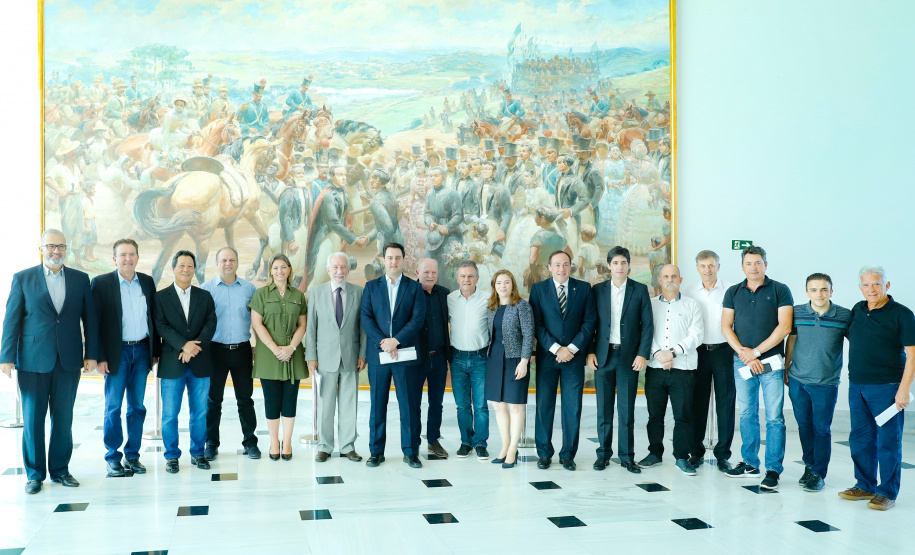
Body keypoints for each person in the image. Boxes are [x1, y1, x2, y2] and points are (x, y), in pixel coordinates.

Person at [1, 230, 99, 494]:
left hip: (68, 361)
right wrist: (6, 357)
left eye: (61, 246)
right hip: (32, 361)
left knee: (63, 419)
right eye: (51, 246)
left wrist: (91, 353)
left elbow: (90, 320)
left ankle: (60, 470)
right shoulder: (23, 278)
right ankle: (34, 474)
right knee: (33, 420)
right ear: (41, 248)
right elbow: (11, 319)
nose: (56, 251)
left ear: (66, 249)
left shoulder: (80, 279)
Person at [839, 266, 914, 510]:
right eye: (866, 284)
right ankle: (864, 485)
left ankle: (887, 492)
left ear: (887, 286)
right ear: (860, 287)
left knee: (888, 442)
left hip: (887, 387)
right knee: (860, 438)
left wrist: (904, 389)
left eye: (877, 284)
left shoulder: (902, 314)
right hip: (857, 385)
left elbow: (913, 355)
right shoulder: (858, 310)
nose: (871, 289)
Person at [722, 245, 793, 490]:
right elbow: (726, 327)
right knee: (746, 414)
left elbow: (784, 327)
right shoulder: (733, 292)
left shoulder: (780, 290)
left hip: (771, 363)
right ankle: (750, 463)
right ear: (743, 266)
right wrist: (744, 353)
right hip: (742, 361)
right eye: (749, 263)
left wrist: (757, 352)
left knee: (774, 418)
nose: (754, 267)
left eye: (758, 263)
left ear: (766, 264)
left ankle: (773, 469)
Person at [90, 238, 159, 478]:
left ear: (138, 257)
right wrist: (99, 356)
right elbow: (94, 323)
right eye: (123, 255)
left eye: (132, 254)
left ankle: (133, 455)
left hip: (141, 352)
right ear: (114, 259)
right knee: (113, 407)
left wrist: (154, 352)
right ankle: (112, 457)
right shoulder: (101, 283)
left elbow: (154, 319)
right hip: (115, 353)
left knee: (137, 407)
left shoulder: (147, 282)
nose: (128, 259)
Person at [360, 242, 427, 468]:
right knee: (378, 404)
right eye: (390, 258)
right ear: (383, 260)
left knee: (408, 405)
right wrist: (384, 342)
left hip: (404, 355)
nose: (394, 262)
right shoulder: (371, 287)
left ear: (403, 260)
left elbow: (417, 319)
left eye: (398, 257)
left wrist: (396, 341)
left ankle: (410, 452)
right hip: (379, 356)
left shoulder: (414, 288)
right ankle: (376, 451)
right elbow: (366, 318)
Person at [529, 250, 597, 471]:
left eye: (565, 264)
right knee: (544, 406)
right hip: (548, 358)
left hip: (574, 359)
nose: (561, 269)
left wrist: (572, 349)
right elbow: (537, 324)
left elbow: (589, 323)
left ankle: (568, 454)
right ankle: (544, 453)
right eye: (557, 264)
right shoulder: (538, 290)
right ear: (549, 267)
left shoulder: (584, 289)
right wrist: (557, 349)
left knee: (572, 407)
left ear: (571, 266)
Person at [587, 246, 653, 473]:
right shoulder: (597, 290)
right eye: (615, 263)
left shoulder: (640, 290)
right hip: (603, 357)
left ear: (628, 265)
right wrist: (590, 351)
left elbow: (648, 326)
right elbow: (590, 324)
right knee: (604, 411)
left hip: (629, 358)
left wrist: (642, 354)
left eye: (623, 263)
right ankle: (603, 455)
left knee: (626, 411)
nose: (619, 266)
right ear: (609, 266)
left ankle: (627, 457)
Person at [784, 272, 851, 492]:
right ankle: (809, 465)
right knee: (804, 426)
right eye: (814, 289)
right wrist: (787, 368)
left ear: (831, 291)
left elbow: (860, 343)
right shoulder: (797, 313)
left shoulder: (844, 316)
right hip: (798, 380)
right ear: (806, 292)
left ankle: (819, 473)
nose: (819, 294)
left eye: (824, 289)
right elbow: (791, 340)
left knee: (821, 428)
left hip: (826, 383)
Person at [154, 251, 217, 474]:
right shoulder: (161, 297)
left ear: (195, 269)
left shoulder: (205, 296)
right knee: (170, 414)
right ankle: (171, 456)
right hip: (173, 363)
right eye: (182, 265)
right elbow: (161, 326)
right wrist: (184, 345)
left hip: (200, 363)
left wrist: (193, 347)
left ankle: (198, 453)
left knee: (199, 412)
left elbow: (210, 325)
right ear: (174, 268)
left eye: (190, 266)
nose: (186, 269)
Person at [640, 265, 703, 475]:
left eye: (674, 276)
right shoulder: (649, 305)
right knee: (654, 416)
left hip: (683, 370)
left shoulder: (692, 305)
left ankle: (681, 457)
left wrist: (672, 353)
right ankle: (654, 453)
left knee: (683, 415)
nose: (670, 280)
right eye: (666, 276)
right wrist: (660, 354)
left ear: (681, 279)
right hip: (656, 370)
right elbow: (645, 332)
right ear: (659, 279)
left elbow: (696, 335)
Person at [305, 252, 367, 463]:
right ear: (328, 270)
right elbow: (311, 327)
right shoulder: (316, 292)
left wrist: (362, 354)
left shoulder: (359, 292)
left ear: (348, 270)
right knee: (326, 405)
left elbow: (363, 327)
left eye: (343, 267)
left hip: (351, 357)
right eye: (336, 267)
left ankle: (348, 446)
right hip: (324, 358)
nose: (339, 271)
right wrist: (311, 356)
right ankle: (325, 446)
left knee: (350, 404)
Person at [200, 247, 260, 461]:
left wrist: (257, 348)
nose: (228, 263)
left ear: (237, 262)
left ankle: (250, 442)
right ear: (217, 263)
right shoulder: (206, 289)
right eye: (224, 259)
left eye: (232, 259)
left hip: (243, 350)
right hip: (215, 351)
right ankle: (211, 444)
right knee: (213, 400)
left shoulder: (249, 288)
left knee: (245, 399)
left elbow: (257, 321)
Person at [250, 254, 308, 461]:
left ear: (290, 270)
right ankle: (274, 442)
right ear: (271, 272)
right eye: (275, 268)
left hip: (293, 354)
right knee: (272, 401)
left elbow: (303, 325)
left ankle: (288, 442)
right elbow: (257, 324)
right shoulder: (261, 294)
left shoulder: (298, 296)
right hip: (268, 355)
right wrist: (276, 349)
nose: (280, 271)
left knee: (290, 401)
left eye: (283, 267)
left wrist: (291, 347)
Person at [684, 250, 735, 471]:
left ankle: (723, 454)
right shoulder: (688, 292)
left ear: (719, 267)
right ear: (697, 268)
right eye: (703, 266)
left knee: (725, 404)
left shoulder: (731, 290)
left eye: (711, 266)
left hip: (724, 352)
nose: (708, 270)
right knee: (697, 403)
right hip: (698, 353)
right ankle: (696, 452)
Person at [486, 270, 534, 469]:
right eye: (499, 283)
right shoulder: (492, 307)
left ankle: (513, 449)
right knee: (498, 405)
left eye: (507, 282)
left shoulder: (521, 306)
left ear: (512, 285)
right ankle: (505, 446)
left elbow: (529, 334)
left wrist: (524, 361)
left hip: (516, 359)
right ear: (494, 286)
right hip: (495, 358)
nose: (502, 286)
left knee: (515, 406)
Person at [448, 260, 491, 460]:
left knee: (481, 405)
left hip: (480, 357)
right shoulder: (449, 299)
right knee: (462, 405)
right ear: (458, 278)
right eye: (463, 276)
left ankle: (481, 443)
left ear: (477, 279)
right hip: (456, 358)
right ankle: (466, 442)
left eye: (470, 276)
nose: (466, 279)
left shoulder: (489, 298)